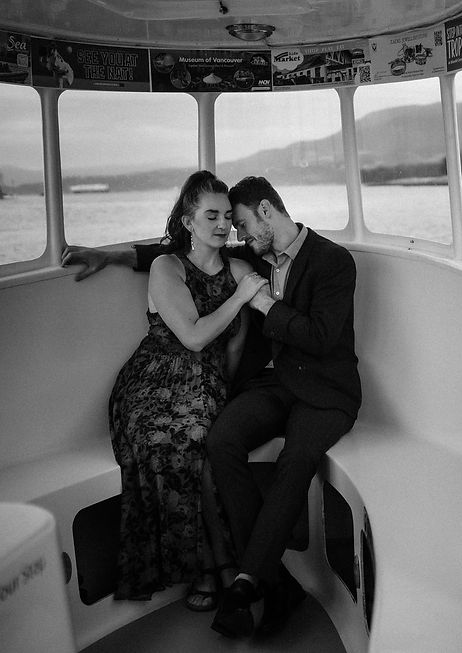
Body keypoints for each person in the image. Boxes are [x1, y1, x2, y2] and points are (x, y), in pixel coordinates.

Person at [63, 175, 362, 639]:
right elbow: (177, 255)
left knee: (295, 459)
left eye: (238, 223)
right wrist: (113, 255)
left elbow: (321, 338)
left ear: (266, 212)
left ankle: (245, 582)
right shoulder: (252, 257)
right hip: (274, 384)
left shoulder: (333, 261)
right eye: (223, 221)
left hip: (325, 392)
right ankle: (271, 580)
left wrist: (262, 304)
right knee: (221, 441)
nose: (234, 233)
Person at [106, 170, 267, 606]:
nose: (221, 224)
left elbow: (233, 344)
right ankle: (216, 567)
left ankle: (216, 567)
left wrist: (224, 388)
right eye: (210, 215)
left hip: (207, 380)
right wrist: (238, 297)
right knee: (164, 443)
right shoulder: (167, 266)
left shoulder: (238, 267)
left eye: (227, 216)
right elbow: (193, 337)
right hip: (153, 379)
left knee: (204, 440)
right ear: (187, 220)